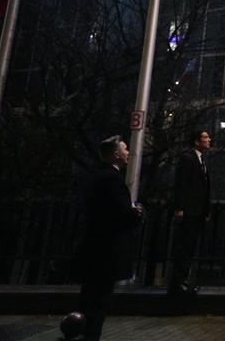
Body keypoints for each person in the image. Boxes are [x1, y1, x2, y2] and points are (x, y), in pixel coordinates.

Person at [77, 136, 143, 341]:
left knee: (90, 297)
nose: (128, 152)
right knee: (99, 300)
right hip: (106, 250)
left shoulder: (98, 176)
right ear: (115, 154)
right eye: (124, 149)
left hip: (95, 247)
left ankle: (84, 331)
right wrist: (138, 212)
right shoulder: (111, 179)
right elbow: (121, 213)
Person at [170, 130, 212, 296]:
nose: (209, 140)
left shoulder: (201, 159)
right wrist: (180, 208)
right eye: (205, 137)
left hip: (197, 211)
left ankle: (184, 281)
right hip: (190, 211)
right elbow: (181, 184)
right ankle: (179, 282)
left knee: (190, 247)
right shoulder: (188, 158)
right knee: (185, 247)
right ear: (196, 141)